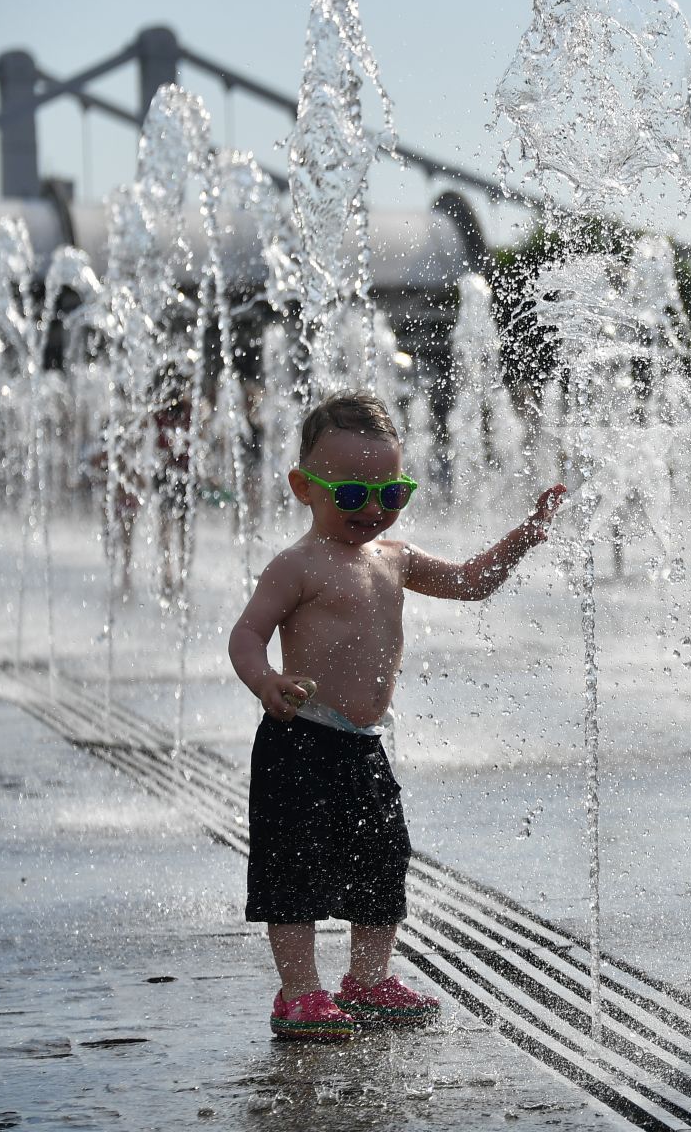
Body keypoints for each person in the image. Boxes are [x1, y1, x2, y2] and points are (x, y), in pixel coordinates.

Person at [229, 391, 567, 1039]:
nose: (374, 511)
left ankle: (367, 978)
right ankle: (299, 991)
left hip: (363, 745)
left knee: (383, 860)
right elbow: (246, 634)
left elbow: (472, 581)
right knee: (292, 868)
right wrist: (266, 681)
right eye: (353, 495)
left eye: (392, 494)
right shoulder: (297, 566)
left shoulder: (396, 559)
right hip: (300, 737)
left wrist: (523, 537)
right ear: (305, 487)